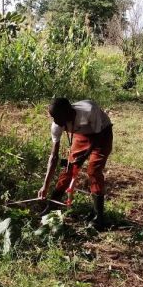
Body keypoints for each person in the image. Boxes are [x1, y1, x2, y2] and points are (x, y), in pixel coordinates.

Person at [37, 98, 113, 230]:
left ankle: (99, 217)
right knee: (68, 168)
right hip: (82, 134)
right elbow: (54, 157)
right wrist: (45, 186)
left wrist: (85, 155)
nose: (55, 122)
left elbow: (98, 135)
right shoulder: (57, 124)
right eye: (54, 118)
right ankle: (52, 206)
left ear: (69, 112)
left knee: (93, 170)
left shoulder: (89, 110)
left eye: (58, 118)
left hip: (102, 134)